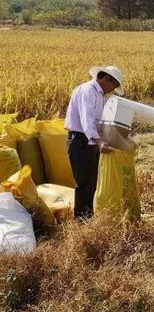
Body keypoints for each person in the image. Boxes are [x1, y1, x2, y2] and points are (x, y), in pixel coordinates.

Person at [64, 66, 124, 218]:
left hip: (91, 141)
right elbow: (87, 120)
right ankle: (81, 220)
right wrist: (99, 141)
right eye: (113, 86)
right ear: (106, 79)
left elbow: (100, 122)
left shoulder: (101, 95)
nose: (112, 90)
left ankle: (90, 215)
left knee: (93, 180)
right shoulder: (87, 91)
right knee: (83, 182)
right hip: (80, 140)